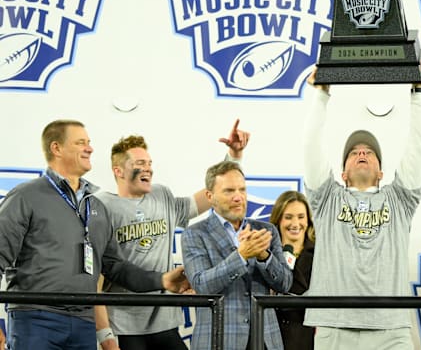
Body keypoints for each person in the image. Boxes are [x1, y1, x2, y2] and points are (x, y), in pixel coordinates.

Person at [0, 119, 190, 350]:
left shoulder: (96, 206)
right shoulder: (25, 196)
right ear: (56, 148)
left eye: (89, 143)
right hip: (36, 319)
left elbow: (116, 267)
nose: (89, 148)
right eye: (80, 142)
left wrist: (161, 280)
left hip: (84, 322)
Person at [302, 60, 421, 350]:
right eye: (353, 153)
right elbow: (311, 148)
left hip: (391, 326)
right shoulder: (326, 198)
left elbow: (417, 150)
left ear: (382, 172)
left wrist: (418, 94)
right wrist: (321, 95)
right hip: (334, 324)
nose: (361, 152)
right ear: (343, 173)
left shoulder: (400, 199)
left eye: (369, 152)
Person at [93, 119, 250, 350]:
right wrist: (105, 335)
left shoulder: (161, 195)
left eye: (149, 162)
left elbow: (208, 197)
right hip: (124, 325)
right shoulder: (102, 206)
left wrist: (233, 155)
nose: (148, 168)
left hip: (164, 320)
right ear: (118, 171)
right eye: (139, 163)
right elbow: (96, 275)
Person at [181, 160, 292, 350]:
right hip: (219, 340)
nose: (238, 197)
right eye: (229, 191)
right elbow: (202, 285)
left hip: (265, 339)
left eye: (242, 190)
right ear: (210, 196)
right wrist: (240, 256)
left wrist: (264, 256)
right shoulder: (194, 234)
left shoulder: (267, 231)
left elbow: (285, 283)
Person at [268, 190, 316, 350]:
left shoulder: (321, 254)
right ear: (278, 220)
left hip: (305, 337)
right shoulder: (264, 253)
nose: (295, 223)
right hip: (270, 336)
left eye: (301, 217)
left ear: (308, 220)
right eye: (288, 217)